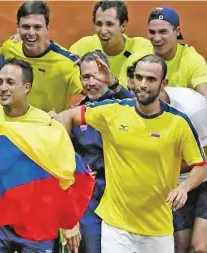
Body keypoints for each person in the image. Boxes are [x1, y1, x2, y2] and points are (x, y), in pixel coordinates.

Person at [52, 54, 207, 253]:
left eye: (150, 79)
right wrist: (69, 164)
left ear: (163, 84)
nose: (142, 84)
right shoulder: (113, 111)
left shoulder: (179, 122)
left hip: (157, 228)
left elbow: (200, 165)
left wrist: (184, 187)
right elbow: (66, 117)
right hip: (116, 226)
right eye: (139, 77)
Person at [0, 58, 81, 253]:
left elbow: (65, 173)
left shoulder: (45, 123)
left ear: (27, 87)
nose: (2, 88)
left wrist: (71, 220)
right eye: (0, 82)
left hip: (37, 221)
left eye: (10, 82)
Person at [69, 51, 133, 253]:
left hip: (122, 194)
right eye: (85, 77)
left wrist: (114, 83)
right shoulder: (76, 113)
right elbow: (66, 152)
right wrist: (79, 169)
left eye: (96, 75)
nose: (91, 82)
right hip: (90, 193)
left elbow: (141, 108)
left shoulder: (122, 103)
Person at [0, 1, 82, 113]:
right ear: (18, 28)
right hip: (13, 124)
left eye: (37, 27)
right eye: (26, 27)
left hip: (46, 127)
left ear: (47, 28)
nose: (31, 33)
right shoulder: (9, 47)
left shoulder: (68, 63)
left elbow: (93, 91)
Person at [158, 87, 207, 253]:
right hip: (174, 186)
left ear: (162, 83)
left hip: (203, 181)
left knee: (199, 246)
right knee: (180, 246)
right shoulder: (133, 111)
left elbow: (204, 159)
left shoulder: (194, 109)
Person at [69, 0, 153, 87]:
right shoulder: (83, 47)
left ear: (123, 26)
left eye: (109, 24)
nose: (103, 31)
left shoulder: (144, 49)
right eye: (99, 24)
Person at [147, 7, 207, 97]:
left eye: (163, 32)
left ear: (177, 31)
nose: (156, 38)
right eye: (152, 32)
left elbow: (204, 99)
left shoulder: (192, 60)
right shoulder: (141, 56)